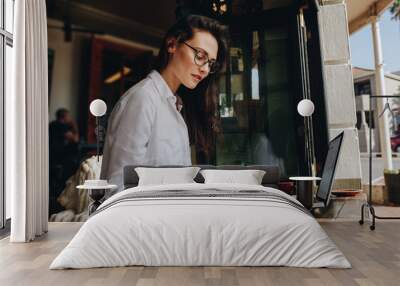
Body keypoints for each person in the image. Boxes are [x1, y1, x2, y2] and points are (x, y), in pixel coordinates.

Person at [100, 15, 228, 193]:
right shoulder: (143, 99)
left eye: (211, 63)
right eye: (200, 55)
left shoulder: (176, 105)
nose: (205, 69)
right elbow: (120, 185)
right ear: (172, 45)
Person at [49, 108, 80, 214]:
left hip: (52, 157)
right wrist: (74, 125)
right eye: (69, 116)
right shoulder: (60, 126)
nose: (70, 118)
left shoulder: (52, 124)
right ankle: (62, 200)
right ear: (64, 117)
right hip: (59, 159)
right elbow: (75, 139)